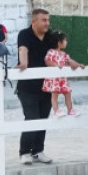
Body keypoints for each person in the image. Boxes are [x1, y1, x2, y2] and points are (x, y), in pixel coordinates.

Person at [16, 8, 55, 165]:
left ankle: (38, 151)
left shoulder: (50, 36)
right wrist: (23, 63)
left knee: (44, 119)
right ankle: (24, 152)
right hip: (27, 87)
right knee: (32, 118)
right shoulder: (24, 34)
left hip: (46, 86)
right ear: (34, 21)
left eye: (48, 20)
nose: (47, 23)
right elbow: (23, 49)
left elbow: (57, 53)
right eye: (43, 20)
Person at [43, 30, 85, 117]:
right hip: (54, 78)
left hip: (62, 78)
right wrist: (55, 65)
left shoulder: (63, 54)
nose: (66, 42)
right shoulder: (51, 52)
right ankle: (56, 110)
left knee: (68, 93)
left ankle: (70, 110)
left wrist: (78, 64)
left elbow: (70, 61)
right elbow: (47, 61)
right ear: (59, 43)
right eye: (65, 40)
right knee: (54, 95)